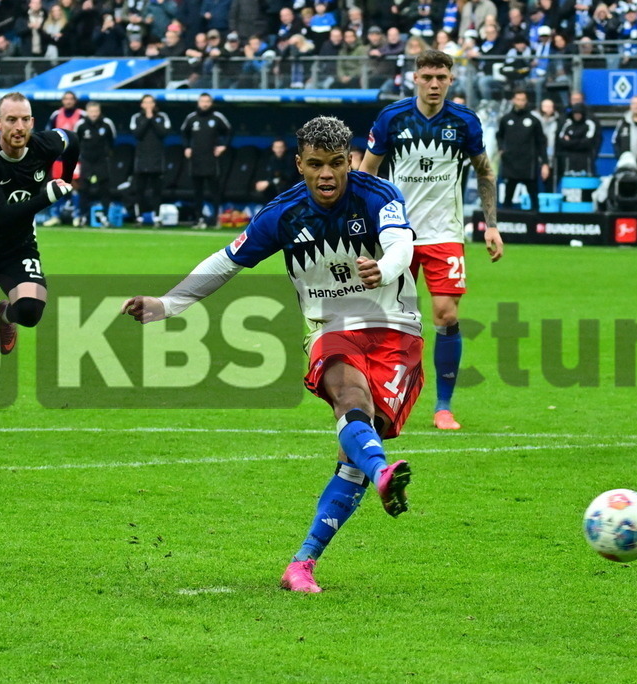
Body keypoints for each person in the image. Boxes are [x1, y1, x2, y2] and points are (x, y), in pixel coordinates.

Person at [121, 116, 420, 593]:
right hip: (331, 327)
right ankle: (383, 471)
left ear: (352, 161)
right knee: (349, 396)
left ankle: (301, 564)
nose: (327, 175)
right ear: (299, 163)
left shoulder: (378, 196)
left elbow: (401, 244)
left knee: (354, 451)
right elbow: (226, 261)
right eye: (317, 164)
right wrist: (167, 304)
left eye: (337, 164)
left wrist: (382, 269)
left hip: (395, 329)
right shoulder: (282, 214)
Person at [359, 48, 503, 431]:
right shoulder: (392, 117)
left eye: (441, 77)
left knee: (446, 315)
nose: (434, 84)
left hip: (444, 233)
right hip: (396, 233)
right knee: (389, 320)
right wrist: (361, 221)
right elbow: (367, 172)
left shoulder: (465, 122)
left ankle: (443, 406)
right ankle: (380, 400)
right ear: (415, 78)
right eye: (427, 77)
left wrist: (491, 224)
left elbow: (485, 173)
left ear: (451, 79)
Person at [0, 92, 79, 428]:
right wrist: (47, 195)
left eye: (24, 120)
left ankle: (6, 311)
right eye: (11, 120)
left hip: (19, 248)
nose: (18, 127)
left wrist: (65, 176)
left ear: (33, 123)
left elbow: (73, 139)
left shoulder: (43, 144)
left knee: (31, 312)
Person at [180, 92, 232, 228]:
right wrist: (186, 148)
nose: (205, 104)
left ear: (211, 103)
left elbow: (229, 132)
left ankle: (216, 219)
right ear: (198, 102)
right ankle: (199, 219)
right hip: (196, 160)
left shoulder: (217, 117)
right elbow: (184, 133)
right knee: (197, 192)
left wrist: (223, 146)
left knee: (214, 190)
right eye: (202, 101)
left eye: (207, 101)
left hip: (212, 160)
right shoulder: (191, 118)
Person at [497, 89, 551, 211]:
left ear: (526, 101)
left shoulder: (534, 120)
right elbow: (499, 135)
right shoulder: (506, 119)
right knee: (507, 198)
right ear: (513, 100)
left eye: (523, 100)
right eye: (518, 99)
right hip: (510, 163)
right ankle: (506, 223)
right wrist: (501, 149)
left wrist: (545, 163)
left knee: (534, 198)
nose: (520, 102)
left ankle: (536, 225)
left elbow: (541, 143)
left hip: (529, 164)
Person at [128, 94, 171, 225]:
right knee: (139, 190)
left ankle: (157, 217)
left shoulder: (162, 117)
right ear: (142, 104)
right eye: (145, 102)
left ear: (154, 104)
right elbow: (137, 134)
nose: (148, 105)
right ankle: (139, 217)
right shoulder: (136, 117)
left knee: (156, 190)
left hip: (157, 160)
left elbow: (163, 133)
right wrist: (147, 119)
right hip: (141, 160)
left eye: (150, 102)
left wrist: (152, 118)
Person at [43, 90, 84, 226]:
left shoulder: (81, 115)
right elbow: (49, 133)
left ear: (75, 101)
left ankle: (77, 216)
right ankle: (55, 215)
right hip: (59, 158)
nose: (68, 101)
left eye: (70, 99)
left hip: (75, 157)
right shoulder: (56, 115)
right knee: (57, 185)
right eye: (66, 99)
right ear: (62, 101)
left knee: (75, 185)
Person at [74, 100, 117, 226]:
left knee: (104, 189)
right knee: (84, 189)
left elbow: (112, 141)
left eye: (96, 111)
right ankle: (83, 216)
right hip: (86, 161)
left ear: (100, 112)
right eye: (91, 111)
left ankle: (105, 216)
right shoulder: (81, 125)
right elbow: (75, 141)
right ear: (87, 112)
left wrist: (107, 155)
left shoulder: (107, 123)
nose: (94, 114)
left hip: (102, 161)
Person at [555, 101, 601, 177]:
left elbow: (587, 142)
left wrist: (570, 141)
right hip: (569, 161)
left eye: (579, 114)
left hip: (585, 160)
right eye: (575, 114)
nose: (577, 116)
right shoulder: (567, 124)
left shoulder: (589, 124)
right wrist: (578, 141)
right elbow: (561, 141)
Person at [254, 137, 300, 202]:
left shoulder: (291, 160)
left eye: (281, 147)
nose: (279, 150)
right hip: (273, 188)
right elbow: (269, 175)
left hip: (288, 188)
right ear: (273, 149)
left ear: (285, 148)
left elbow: (288, 177)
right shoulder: (271, 160)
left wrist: (269, 182)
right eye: (277, 147)